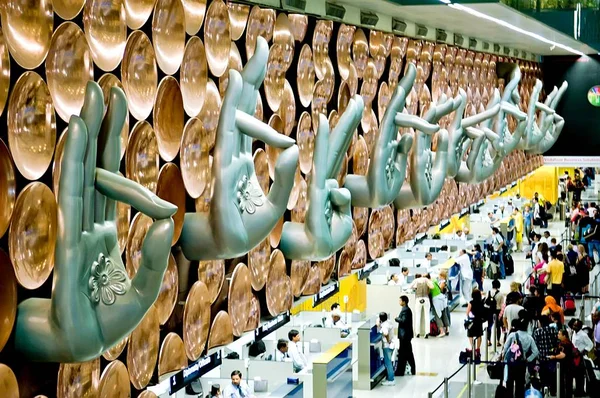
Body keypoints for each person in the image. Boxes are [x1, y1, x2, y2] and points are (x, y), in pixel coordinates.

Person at [503, 318, 540, 398]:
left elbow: (505, 347)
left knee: (509, 381)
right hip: (522, 363)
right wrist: (528, 359)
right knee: (520, 383)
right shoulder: (529, 337)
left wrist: (503, 357)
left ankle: (509, 395)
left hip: (512, 362)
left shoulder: (513, 335)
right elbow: (536, 351)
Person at [534, 315, 559, 396]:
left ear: (540, 322)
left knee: (543, 375)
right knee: (552, 374)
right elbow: (556, 342)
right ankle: (553, 391)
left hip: (541, 357)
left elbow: (536, 345)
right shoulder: (553, 330)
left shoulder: (537, 332)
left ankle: (544, 390)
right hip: (552, 357)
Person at [571, 319, 594, 396]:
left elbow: (590, 344)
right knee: (575, 374)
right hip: (574, 356)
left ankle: (580, 391)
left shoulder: (583, 335)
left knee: (580, 375)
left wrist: (584, 350)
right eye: (573, 325)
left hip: (580, 357)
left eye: (575, 325)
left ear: (579, 327)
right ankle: (577, 389)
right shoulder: (574, 333)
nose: (573, 326)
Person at [550, 329, 574, 398]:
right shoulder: (562, 343)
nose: (558, 335)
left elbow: (563, 355)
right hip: (563, 366)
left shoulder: (566, 344)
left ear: (564, 335)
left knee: (566, 383)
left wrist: (554, 357)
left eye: (559, 334)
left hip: (566, 366)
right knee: (564, 383)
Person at [395, 295, 416, 376]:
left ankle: (400, 371)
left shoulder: (405, 310)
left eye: (400, 300)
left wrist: (397, 318)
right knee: (407, 353)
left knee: (403, 354)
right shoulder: (406, 309)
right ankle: (410, 369)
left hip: (404, 335)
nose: (399, 302)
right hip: (406, 335)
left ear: (404, 301)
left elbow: (403, 321)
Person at [377, 312, 395, 386]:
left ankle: (391, 380)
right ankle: (389, 377)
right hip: (392, 344)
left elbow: (385, 333)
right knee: (389, 361)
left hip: (387, 346)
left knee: (388, 363)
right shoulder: (388, 322)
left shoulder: (384, 326)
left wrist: (388, 340)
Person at [466, 289, 485, 357]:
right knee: (479, 334)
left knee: (470, 334)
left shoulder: (471, 302)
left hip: (472, 321)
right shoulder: (481, 302)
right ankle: (478, 349)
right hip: (479, 321)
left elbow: (467, 312)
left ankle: (472, 348)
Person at [486, 279, 504, 347]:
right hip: (497, 311)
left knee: (489, 326)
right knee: (498, 327)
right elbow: (502, 305)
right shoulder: (501, 294)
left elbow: (486, 302)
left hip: (490, 311)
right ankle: (498, 341)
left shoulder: (488, 292)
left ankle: (489, 341)